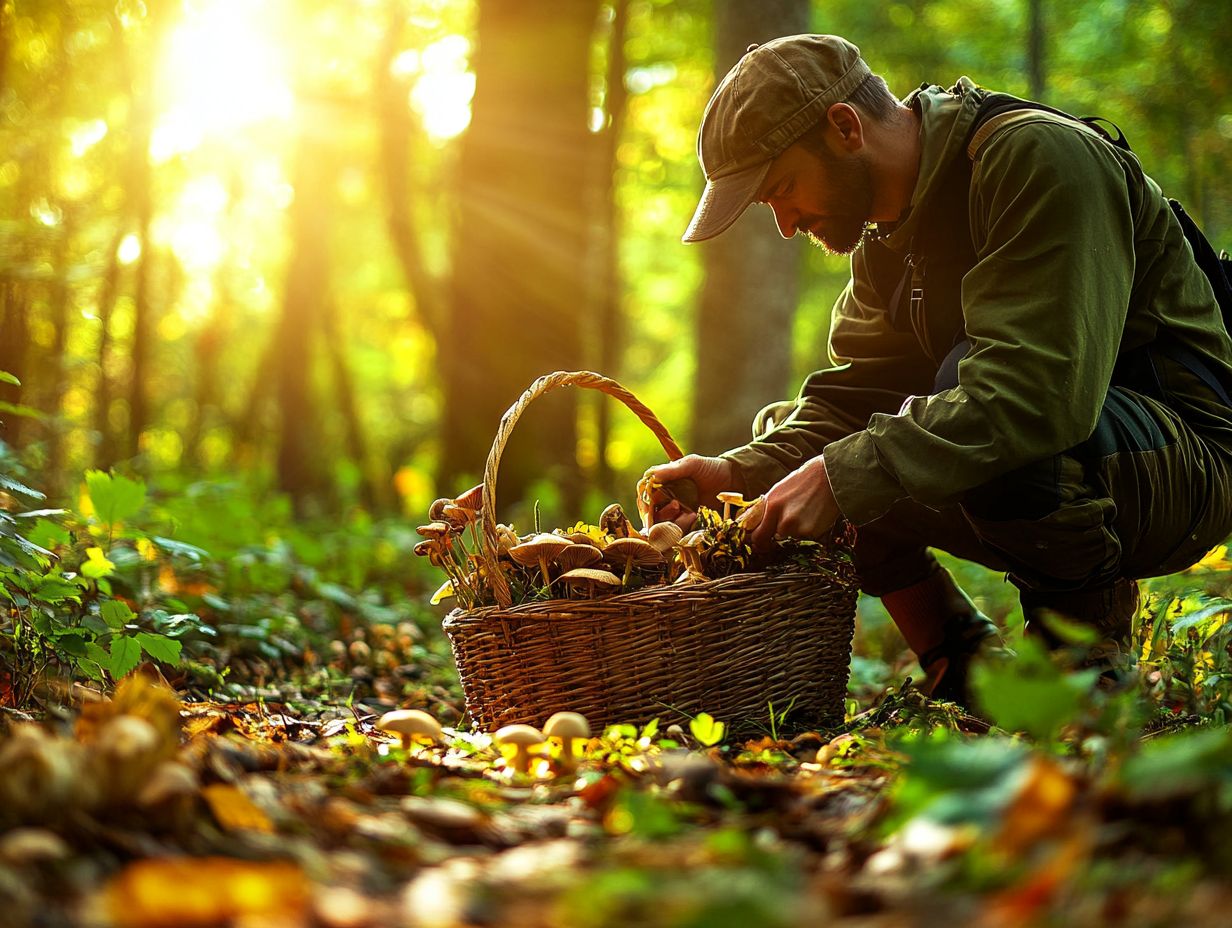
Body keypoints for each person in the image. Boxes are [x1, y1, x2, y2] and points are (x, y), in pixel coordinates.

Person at [645, 34, 1232, 701]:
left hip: (1187, 460)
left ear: (844, 127)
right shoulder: (883, 239)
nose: (783, 224)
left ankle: (1079, 677)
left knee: (918, 427)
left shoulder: (1037, 158)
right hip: (1091, 442)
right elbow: (852, 403)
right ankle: (961, 664)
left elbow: (1032, 398)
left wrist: (839, 477)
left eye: (781, 190)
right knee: (805, 444)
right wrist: (738, 472)